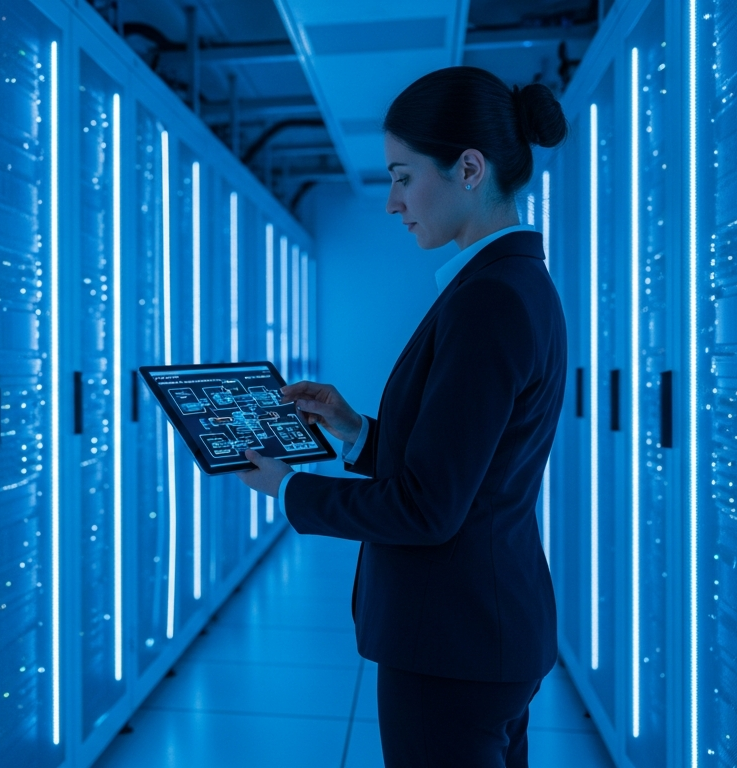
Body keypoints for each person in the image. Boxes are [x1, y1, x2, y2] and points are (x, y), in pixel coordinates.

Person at [236, 66, 568, 768]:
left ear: (469, 168)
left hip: (452, 642)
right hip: (486, 631)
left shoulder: (491, 300)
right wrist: (357, 431)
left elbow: (428, 510)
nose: (392, 202)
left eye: (402, 176)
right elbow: (467, 468)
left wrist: (287, 488)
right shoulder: (511, 283)